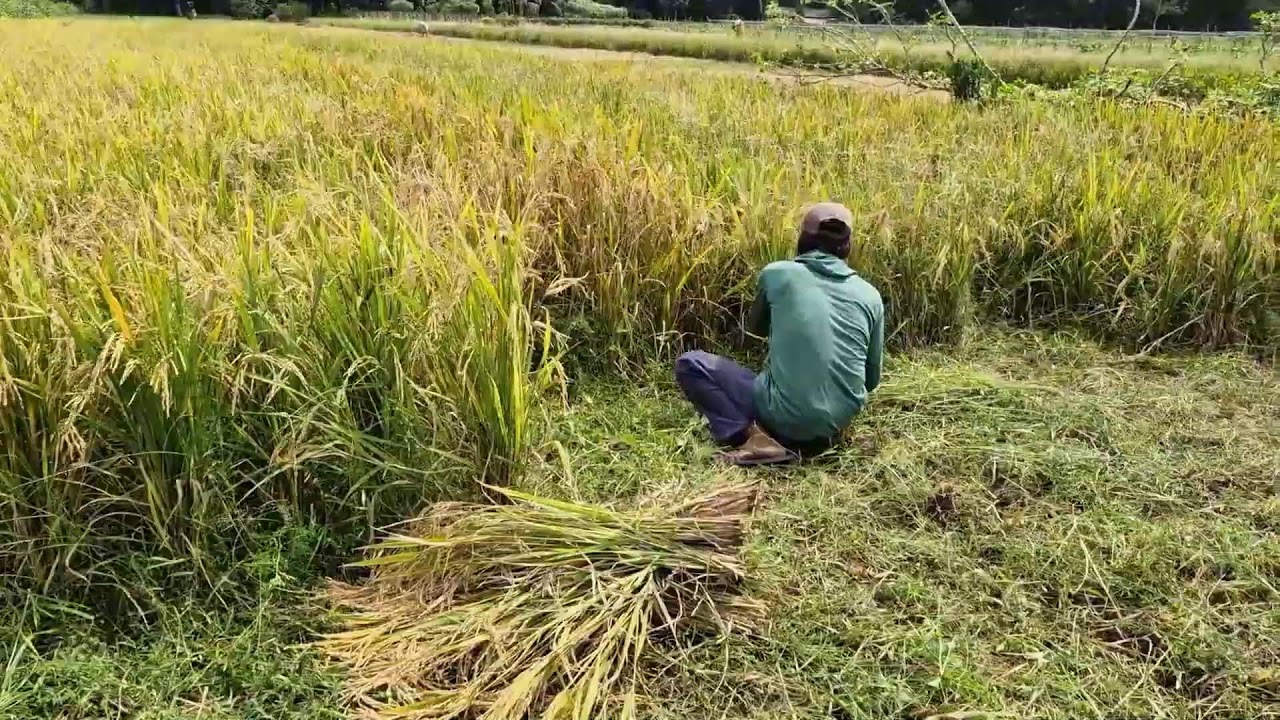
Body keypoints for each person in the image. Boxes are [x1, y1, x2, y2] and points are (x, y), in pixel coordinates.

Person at [675, 202, 884, 466]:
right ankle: (814, 433)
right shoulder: (870, 295)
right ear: (847, 246)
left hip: (784, 418)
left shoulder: (778, 274)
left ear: (802, 240)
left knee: (691, 364)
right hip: (837, 421)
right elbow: (872, 380)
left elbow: (756, 330)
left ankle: (754, 439)